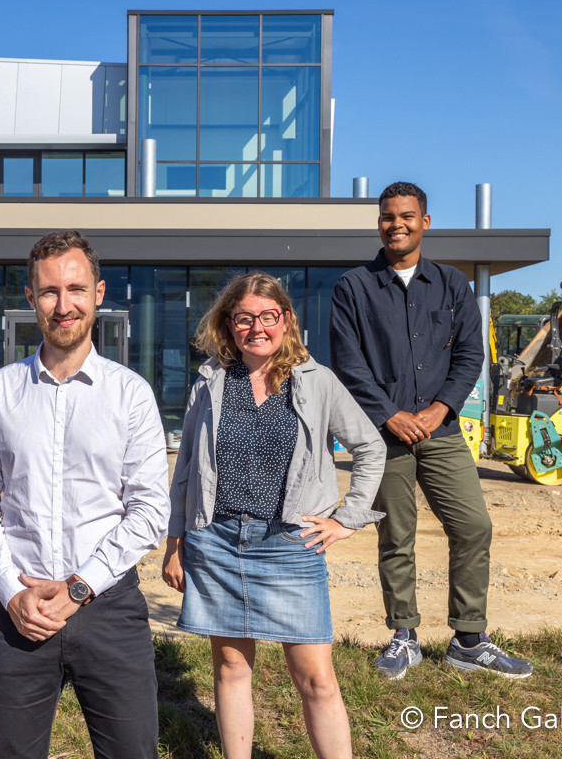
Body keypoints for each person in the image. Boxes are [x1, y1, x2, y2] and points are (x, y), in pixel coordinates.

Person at [0, 231, 170, 758]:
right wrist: (10, 590)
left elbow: (148, 511)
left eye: (75, 289)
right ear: (31, 299)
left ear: (98, 293)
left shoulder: (130, 394)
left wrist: (79, 588)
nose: (63, 304)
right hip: (18, 612)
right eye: (49, 291)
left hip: (108, 609)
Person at [162, 272, 385, 759]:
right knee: (230, 669)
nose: (256, 327)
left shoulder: (315, 380)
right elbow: (186, 467)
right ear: (229, 324)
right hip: (217, 541)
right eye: (244, 318)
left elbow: (370, 446)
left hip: (291, 546)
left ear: (286, 320)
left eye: (268, 316)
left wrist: (348, 518)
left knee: (316, 679)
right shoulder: (212, 381)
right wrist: (175, 540)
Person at [329, 181, 533, 680]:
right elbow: (348, 362)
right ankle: (403, 636)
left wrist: (442, 408)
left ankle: (469, 638)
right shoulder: (352, 287)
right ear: (378, 222)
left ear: (425, 221)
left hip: (440, 433)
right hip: (384, 436)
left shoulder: (452, 285)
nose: (395, 224)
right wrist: (390, 414)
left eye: (406, 216)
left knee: (473, 526)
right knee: (395, 535)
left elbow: (469, 356)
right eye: (387, 216)